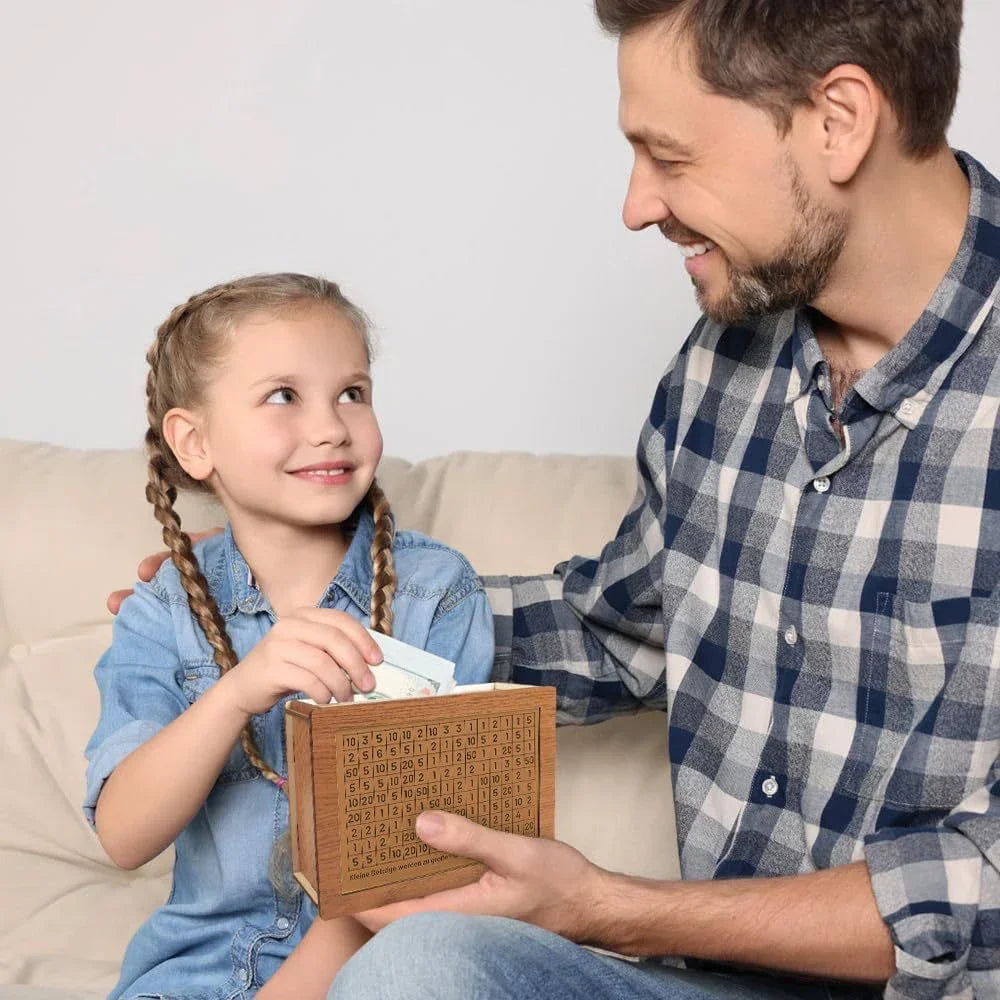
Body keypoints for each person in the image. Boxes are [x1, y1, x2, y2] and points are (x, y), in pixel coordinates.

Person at [109, 0, 1000, 997]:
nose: (634, 204)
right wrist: (301, 605)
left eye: (669, 156)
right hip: (696, 983)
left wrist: (605, 903)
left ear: (838, 120)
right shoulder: (729, 359)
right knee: (420, 966)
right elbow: (624, 630)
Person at [85, 272, 495, 1000]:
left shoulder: (438, 593)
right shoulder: (163, 608)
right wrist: (238, 691)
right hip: (189, 975)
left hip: (375, 971)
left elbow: (415, 862)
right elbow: (123, 836)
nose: (332, 425)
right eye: (284, 395)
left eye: (352, 392)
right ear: (195, 442)